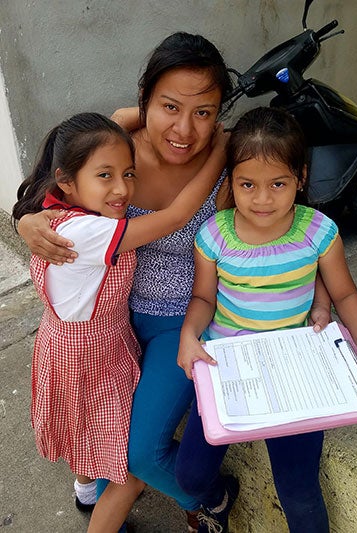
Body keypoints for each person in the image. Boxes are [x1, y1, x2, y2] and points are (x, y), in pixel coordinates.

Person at [16, 34, 332, 532]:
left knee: (140, 453)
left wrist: (318, 290)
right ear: (144, 101)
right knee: (101, 432)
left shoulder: (229, 162)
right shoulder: (114, 145)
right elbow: (57, 179)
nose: (185, 128)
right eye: (169, 106)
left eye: (204, 112)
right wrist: (28, 219)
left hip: (180, 321)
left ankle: (209, 495)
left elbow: (280, 231)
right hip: (112, 324)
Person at [176, 106, 357, 532]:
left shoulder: (318, 231)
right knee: (191, 476)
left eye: (278, 183)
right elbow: (203, 296)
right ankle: (218, 500)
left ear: (302, 177)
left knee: (297, 488)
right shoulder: (215, 234)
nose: (262, 198)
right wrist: (189, 334)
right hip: (228, 369)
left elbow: (346, 291)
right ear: (231, 182)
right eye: (247, 184)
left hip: (293, 373)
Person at [12, 110, 228, 533]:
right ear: (67, 180)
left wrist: (152, 114)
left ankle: (85, 492)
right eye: (105, 176)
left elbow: (115, 123)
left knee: (80, 430)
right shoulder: (88, 233)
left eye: (129, 174)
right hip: (96, 358)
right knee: (126, 473)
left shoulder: (56, 212)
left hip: (64, 349)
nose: (122, 188)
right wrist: (219, 146)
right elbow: (177, 216)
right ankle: (190, 500)